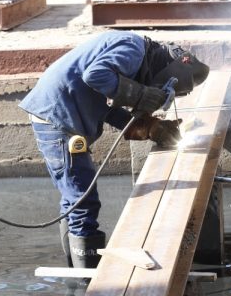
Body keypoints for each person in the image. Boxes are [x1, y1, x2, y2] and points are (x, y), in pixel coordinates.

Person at [19, 31, 210, 269]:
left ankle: (78, 271)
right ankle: (87, 276)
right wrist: (142, 95)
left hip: (58, 112)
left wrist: (149, 126)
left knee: (75, 199)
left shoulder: (133, 49)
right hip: (57, 117)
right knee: (83, 200)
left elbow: (102, 101)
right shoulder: (133, 49)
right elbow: (95, 76)